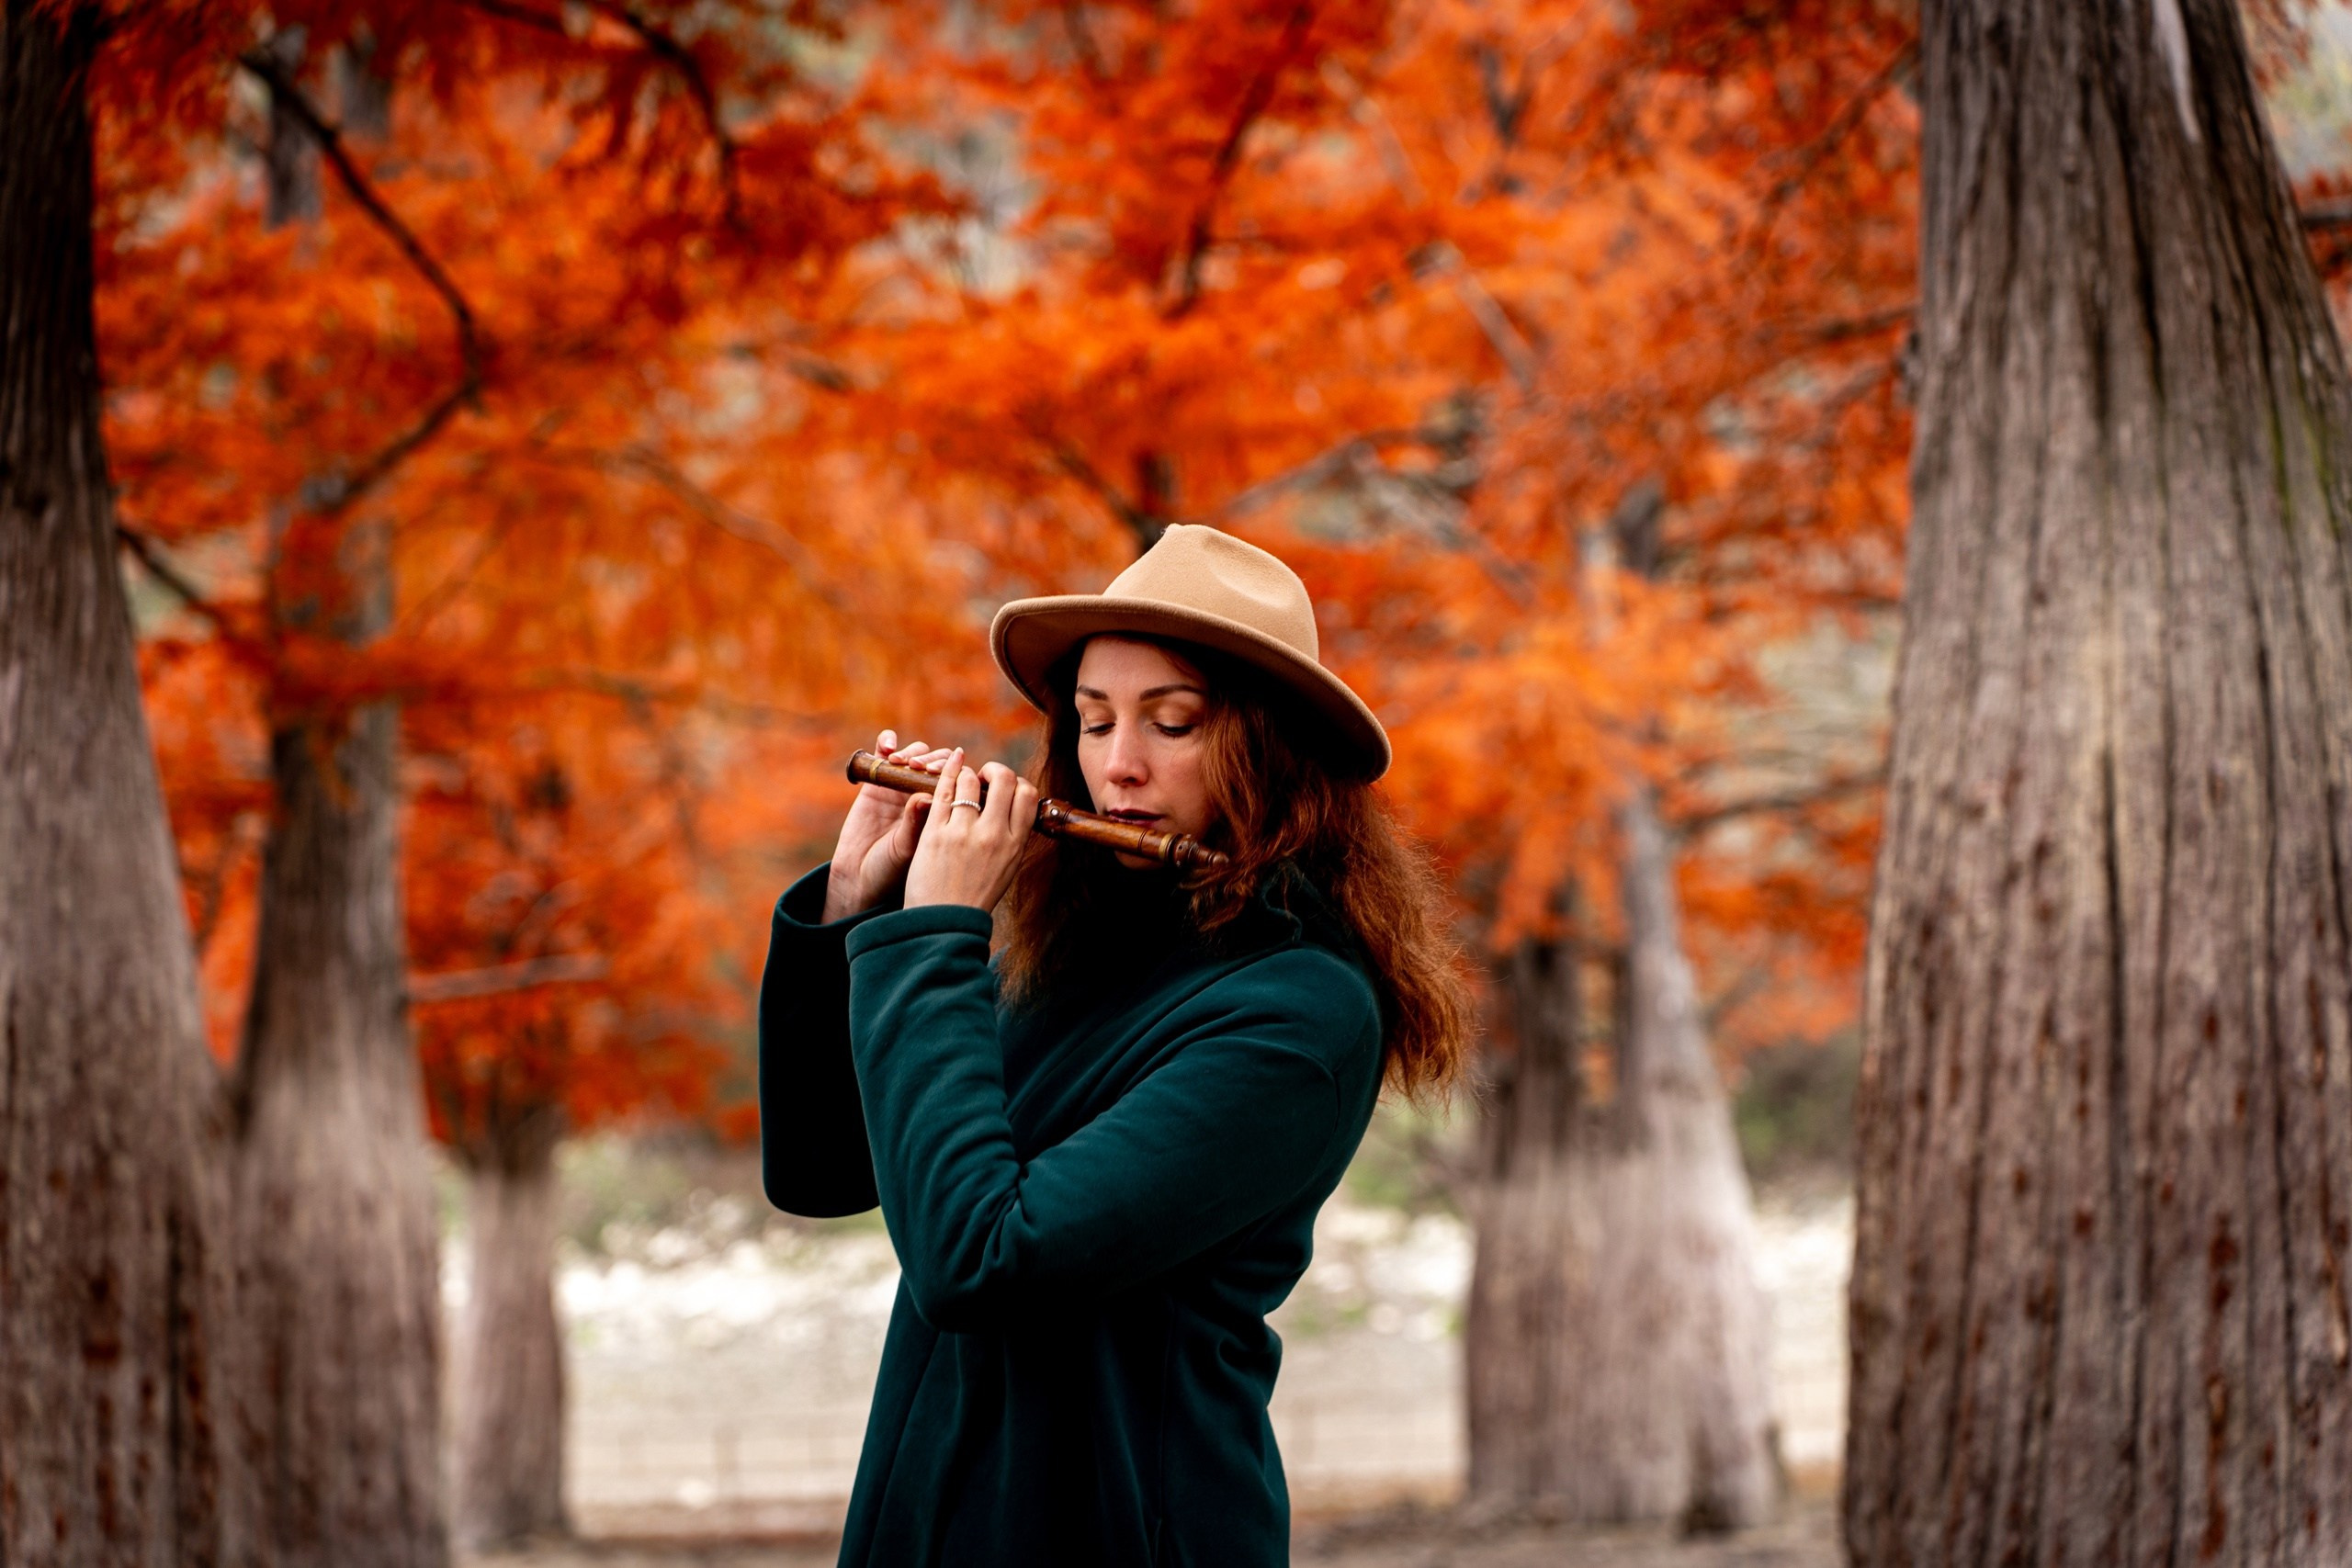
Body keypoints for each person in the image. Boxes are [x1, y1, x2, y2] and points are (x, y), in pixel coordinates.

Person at [760, 524, 1473, 1567]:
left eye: (1172, 722)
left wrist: (938, 936)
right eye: (1093, 722)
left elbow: (982, 1261)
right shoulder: (1070, 950)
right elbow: (824, 1170)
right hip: (936, 1516)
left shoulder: (1300, 1012)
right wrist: (856, 911)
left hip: (1127, 1525)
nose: (1117, 765)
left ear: (1272, 748)